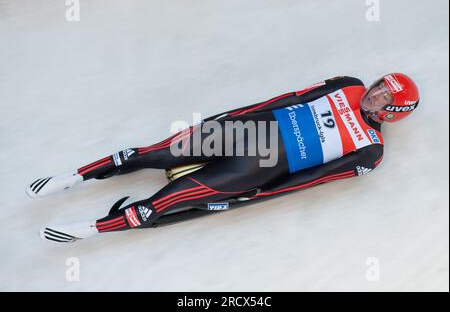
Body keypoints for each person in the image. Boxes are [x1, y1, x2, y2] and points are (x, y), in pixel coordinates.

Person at [27, 73, 420, 243]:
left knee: (163, 203)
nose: (375, 94)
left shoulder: (371, 150)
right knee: (148, 152)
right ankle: (73, 176)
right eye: (379, 86)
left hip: (257, 168)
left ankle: (92, 228)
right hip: (246, 131)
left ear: (393, 111)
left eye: (385, 97)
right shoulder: (348, 85)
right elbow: (285, 100)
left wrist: (260, 194)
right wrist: (231, 117)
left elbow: (314, 179)